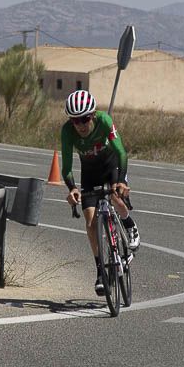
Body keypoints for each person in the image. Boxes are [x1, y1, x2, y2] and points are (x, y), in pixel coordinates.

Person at [61, 89, 140, 295]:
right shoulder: (67, 131)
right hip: (90, 174)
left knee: (115, 196)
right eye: (75, 121)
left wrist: (121, 181)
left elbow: (121, 152)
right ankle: (100, 272)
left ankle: (129, 224)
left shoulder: (104, 121)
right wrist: (72, 189)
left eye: (85, 119)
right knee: (90, 223)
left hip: (111, 166)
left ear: (93, 116)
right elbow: (67, 167)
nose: (81, 125)